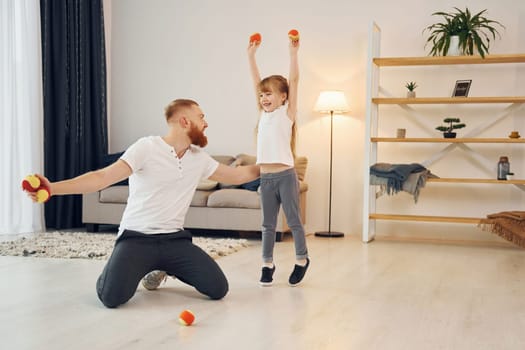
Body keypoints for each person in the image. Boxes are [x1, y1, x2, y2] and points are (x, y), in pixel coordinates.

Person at [24, 99, 260, 308]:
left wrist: (276, 163)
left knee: (218, 289)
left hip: (174, 241)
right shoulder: (146, 148)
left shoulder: (199, 158)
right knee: (111, 298)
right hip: (136, 238)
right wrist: (53, 188)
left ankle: (161, 268)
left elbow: (238, 176)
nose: (206, 123)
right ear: (185, 121)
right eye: (201, 117)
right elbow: (102, 177)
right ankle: (124, 266)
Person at [247, 32, 309, 287]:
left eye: (269, 94)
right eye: (262, 95)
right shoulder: (263, 115)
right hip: (266, 177)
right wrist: (251, 55)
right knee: (267, 224)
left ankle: (302, 259)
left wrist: (293, 54)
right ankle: (267, 264)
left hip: (285, 175)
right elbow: (255, 81)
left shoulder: (287, 114)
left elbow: (294, 79)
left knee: (293, 221)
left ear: (283, 97)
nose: (264, 98)